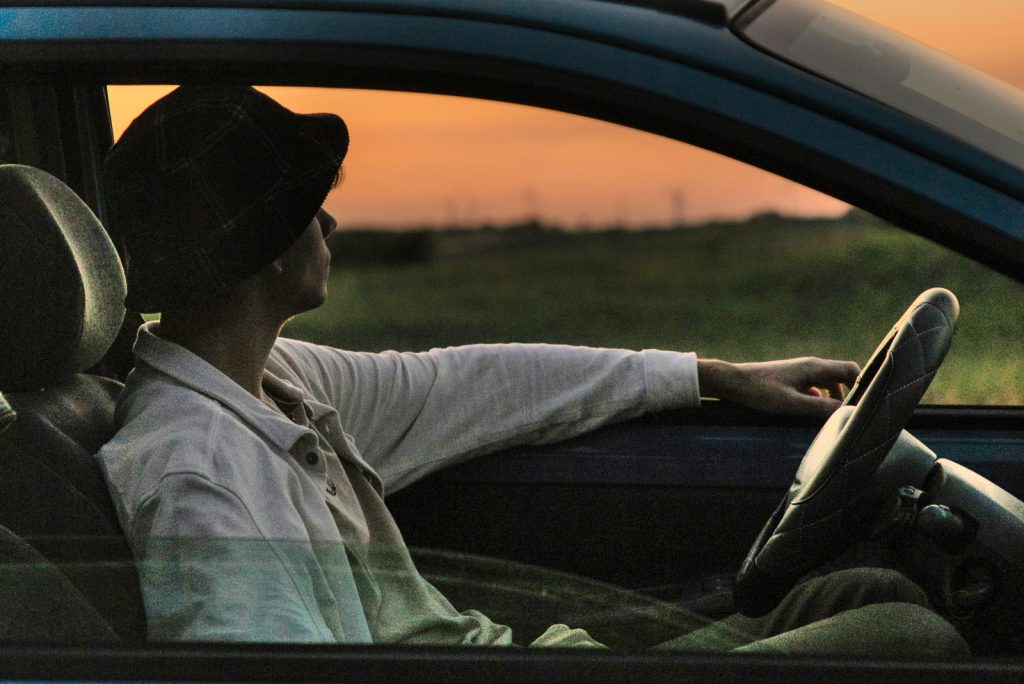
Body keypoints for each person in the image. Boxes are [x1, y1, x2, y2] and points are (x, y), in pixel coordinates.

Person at [96, 86, 967, 656]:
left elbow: (475, 384)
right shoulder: (194, 475)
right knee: (908, 637)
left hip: (524, 659)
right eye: (301, 205)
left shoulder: (273, 379)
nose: (329, 221)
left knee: (867, 590)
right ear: (253, 250)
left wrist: (716, 376)